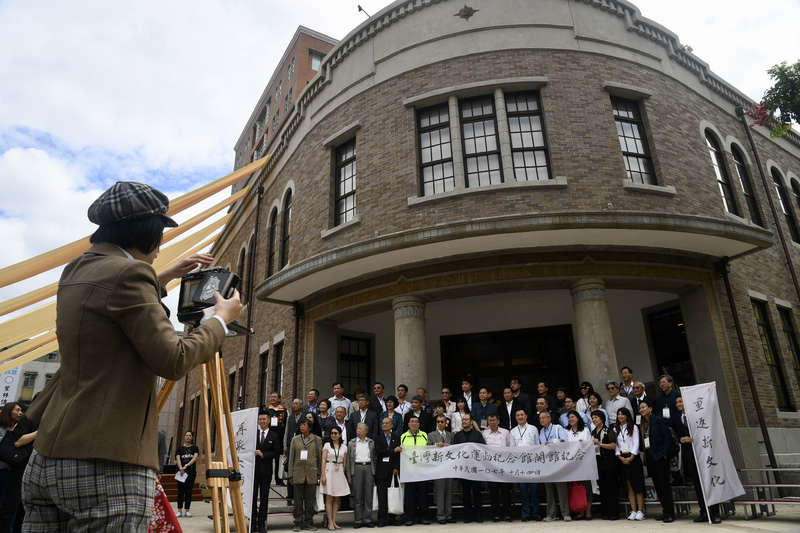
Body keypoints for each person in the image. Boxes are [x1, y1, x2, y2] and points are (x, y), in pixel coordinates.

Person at [22, 181, 243, 531]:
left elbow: (111, 297)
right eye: (160, 234)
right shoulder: (129, 274)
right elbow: (173, 359)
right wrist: (220, 320)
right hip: (108, 465)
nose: (161, 245)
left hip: (47, 459)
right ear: (147, 231)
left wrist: (169, 273)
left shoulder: (77, 270)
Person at [676, 396, 722, 524]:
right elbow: (676, 436)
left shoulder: (696, 417)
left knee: (709, 484)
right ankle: (704, 512)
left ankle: (715, 513)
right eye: (677, 402)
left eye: (681, 402)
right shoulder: (677, 419)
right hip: (689, 456)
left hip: (703, 454)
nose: (678, 404)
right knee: (698, 486)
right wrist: (682, 440)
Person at [0, 402, 36, 532]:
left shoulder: (18, 428)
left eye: (21, 410)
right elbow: (17, 443)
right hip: (4, 471)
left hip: (10, 471)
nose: (20, 413)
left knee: (13, 507)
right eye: (17, 410)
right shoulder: (6, 430)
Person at [639, 398, 676, 523]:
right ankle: (665, 511)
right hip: (650, 457)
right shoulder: (644, 422)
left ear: (650, 408)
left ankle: (670, 513)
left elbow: (668, 437)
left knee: (664, 485)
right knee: (658, 486)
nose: (641, 410)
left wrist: (665, 454)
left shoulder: (658, 420)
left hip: (660, 457)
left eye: (643, 407)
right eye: (640, 408)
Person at [289, 419, 323, 532]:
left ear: (310, 427)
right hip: (298, 473)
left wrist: (319, 473)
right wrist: (290, 475)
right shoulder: (295, 439)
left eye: (304, 425)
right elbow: (291, 459)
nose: (302, 427)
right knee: (298, 501)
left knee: (310, 501)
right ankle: (297, 522)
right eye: (301, 425)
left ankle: (309, 522)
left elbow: (319, 457)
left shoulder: (317, 440)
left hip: (312, 473)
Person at [397, 417, 430, 526]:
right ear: (408, 424)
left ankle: (423, 517)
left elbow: (430, 450)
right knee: (409, 496)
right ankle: (409, 518)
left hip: (422, 469)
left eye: (416, 422)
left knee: (423, 495)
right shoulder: (403, 436)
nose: (414, 424)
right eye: (412, 422)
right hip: (409, 470)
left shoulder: (425, 435)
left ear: (419, 424)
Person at [453, 414, 485, 523]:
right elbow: (454, 450)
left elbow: (483, 448)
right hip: (464, 468)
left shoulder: (477, 434)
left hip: (476, 467)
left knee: (477, 493)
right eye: (463, 420)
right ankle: (468, 516)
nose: (464, 421)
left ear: (472, 422)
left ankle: (479, 515)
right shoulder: (458, 435)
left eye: (466, 420)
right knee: (466, 493)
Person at [254, 411, 282, 533]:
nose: (262, 421)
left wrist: (263, 454)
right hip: (253, 471)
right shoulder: (254, 434)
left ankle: (261, 524)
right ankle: (253, 522)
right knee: (253, 498)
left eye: (264, 419)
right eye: (260, 419)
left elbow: (277, 452)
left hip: (266, 471)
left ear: (269, 420)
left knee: (264, 498)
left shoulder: (274, 435)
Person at [539, 411, 570, 522]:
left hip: (558, 462)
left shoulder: (558, 428)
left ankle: (565, 513)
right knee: (549, 490)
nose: (541, 420)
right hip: (547, 463)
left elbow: (565, 442)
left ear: (549, 418)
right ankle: (551, 514)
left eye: (543, 418)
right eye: (540, 418)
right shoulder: (541, 431)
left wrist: (551, 443)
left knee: (562, 489)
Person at [510, 410, 541, 522]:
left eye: (522, 415)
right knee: (523, 491)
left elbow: (538, 446)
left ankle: (536, 514)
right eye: (518, 415)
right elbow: (511, 449)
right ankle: (526, 514)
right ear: (515, 417)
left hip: (532, 464)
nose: (520, 417)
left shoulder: (533, 429)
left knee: (534, 490)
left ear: (526, 416)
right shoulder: (513, 431)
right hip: (520, 465)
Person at [615, 407, 644, 521]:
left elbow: (636, 442)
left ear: (627, 415)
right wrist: (619, 456)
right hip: (622, 458)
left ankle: (640, 510)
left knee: (637, 484)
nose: (620, 416)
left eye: (622, 414)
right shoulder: (616, 428)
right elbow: (616, 444)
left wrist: (632, 456)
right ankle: (633, 510)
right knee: (628, 485)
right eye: (619, 414)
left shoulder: (634, 427)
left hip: (633, 458)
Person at [590, 410, 619, 521]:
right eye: (593, 418)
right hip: (598, 463)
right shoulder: (593, 432)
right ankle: (605, 512)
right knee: (603, 489)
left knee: (612, 488)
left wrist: (600, 444)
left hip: (609, 463)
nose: (594, 419)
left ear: (602, 418)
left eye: (596, 417)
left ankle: (614, 513)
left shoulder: (608, 430)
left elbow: (613, 446)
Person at [483, 414, 511, 522]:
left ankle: (507, 514)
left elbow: (509, 447)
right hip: (491, 467)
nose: (492, 423)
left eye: (494, 420)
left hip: (504, 466)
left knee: (505, 491)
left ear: (498, 421)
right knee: (493, 492)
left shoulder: (505, 432)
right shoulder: (485, 434)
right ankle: (496, 514)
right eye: (490, 421)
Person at [347, 423, 376, 529]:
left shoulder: (371, 442)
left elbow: (375, 458)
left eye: (360, 429)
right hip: (357, 468)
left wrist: (374, 472)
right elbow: (349, 460)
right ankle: (358, 520)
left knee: (368, 496)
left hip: (368, 468)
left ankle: (368, 519)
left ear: (366, 431)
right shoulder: (352, 443)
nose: (358, 430)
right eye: (357, 428)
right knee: (357, 496)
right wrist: (349, 474)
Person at [320, 426, 349, 531]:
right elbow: (323, 461)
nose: (333, 435)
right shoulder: (327, 445)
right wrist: (323, 474)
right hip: (329, 470)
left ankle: (334, 520)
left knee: (337, 498)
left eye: (335, 433)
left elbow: (345, 463)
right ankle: (330, 522)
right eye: (332, 433)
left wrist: (342, 474)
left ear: (340, 434)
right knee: (329, 498)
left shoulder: (344, 447)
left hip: (339, 471)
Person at [428, 415, 455, 524]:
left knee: (448, 492)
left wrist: (450, 447)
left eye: (442, 422)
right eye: (438, 422)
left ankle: (449, 514)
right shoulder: (431, 435)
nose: (440, 423)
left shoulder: (451, 435)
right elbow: (427, 449)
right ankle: (440, 515)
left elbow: (456, 449)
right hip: (437, 467)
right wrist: (435, 445)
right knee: (439, 493)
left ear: (446, 423)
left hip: (448, 467)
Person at [566, 410, 593, 520]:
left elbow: (589, 444)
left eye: (573, 417)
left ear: (578, 418)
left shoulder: (585, 430)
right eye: (569, 417)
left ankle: (588, 511)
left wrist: (584, 443)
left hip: (584, 463)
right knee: (576, 487)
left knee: (586, 487)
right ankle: (580, 510)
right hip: (571, 464)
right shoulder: (566, 431)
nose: (570, 419)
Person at [374, 417, 401, 527]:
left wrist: (396, 468)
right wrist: (393, 451)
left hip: (393, 470)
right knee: (382, 496)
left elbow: (399, 455)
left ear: (392, 425)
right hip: (381, 470)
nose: (384, 425)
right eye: (383, 423)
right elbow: (379, 452)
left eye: (387, 423)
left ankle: (393, 518)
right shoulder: (378, 438)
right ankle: (382, 519)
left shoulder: (397, 438)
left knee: (392, 495)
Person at [175, 430, 199, 518]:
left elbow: (195, 458)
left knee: (188, 491)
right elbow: (178, 459)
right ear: (184, 437)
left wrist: (186, 466)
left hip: (191, 473)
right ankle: (179, 510)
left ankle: (187, 510)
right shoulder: (179, 449)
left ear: (192, 437)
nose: (188, 437)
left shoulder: (195, 448)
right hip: (181, 473)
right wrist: (181, 468)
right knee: (180, 491)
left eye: (189, 435)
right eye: (186, 435)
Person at [267, 392, 288, 485]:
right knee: (268, 460)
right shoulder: (267, 410)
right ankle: (267, 479)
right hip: (268, 438)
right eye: (271, 397)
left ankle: (278, 480)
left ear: (279, 399)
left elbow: (287, 426)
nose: (272, 398)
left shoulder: (284, 410)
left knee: (278, 460)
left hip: (280, 438)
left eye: (274, 397)